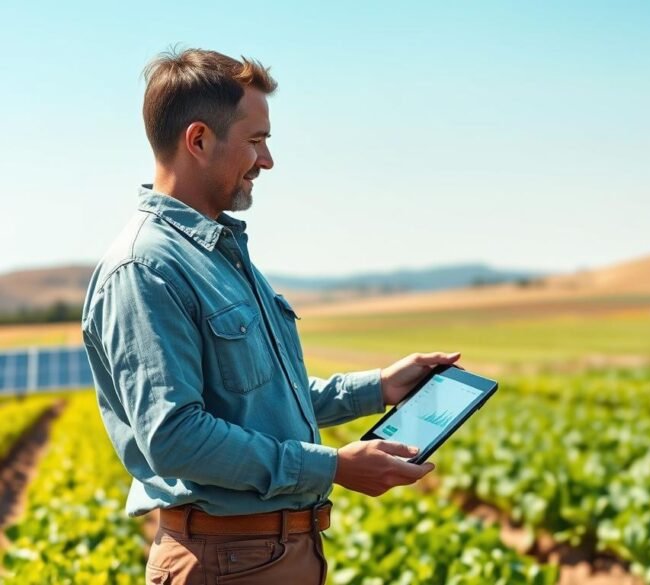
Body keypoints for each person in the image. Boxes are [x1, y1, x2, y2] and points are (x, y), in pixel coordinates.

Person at [81, 47, 457, 585]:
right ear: (199, 140)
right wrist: (333, 466)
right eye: (256, 141)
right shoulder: (145, 268)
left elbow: (257, 403)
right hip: (224, 561)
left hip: (270, 554)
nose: (267, 161)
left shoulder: (219, 255)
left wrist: (378, 388)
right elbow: (176, 437)